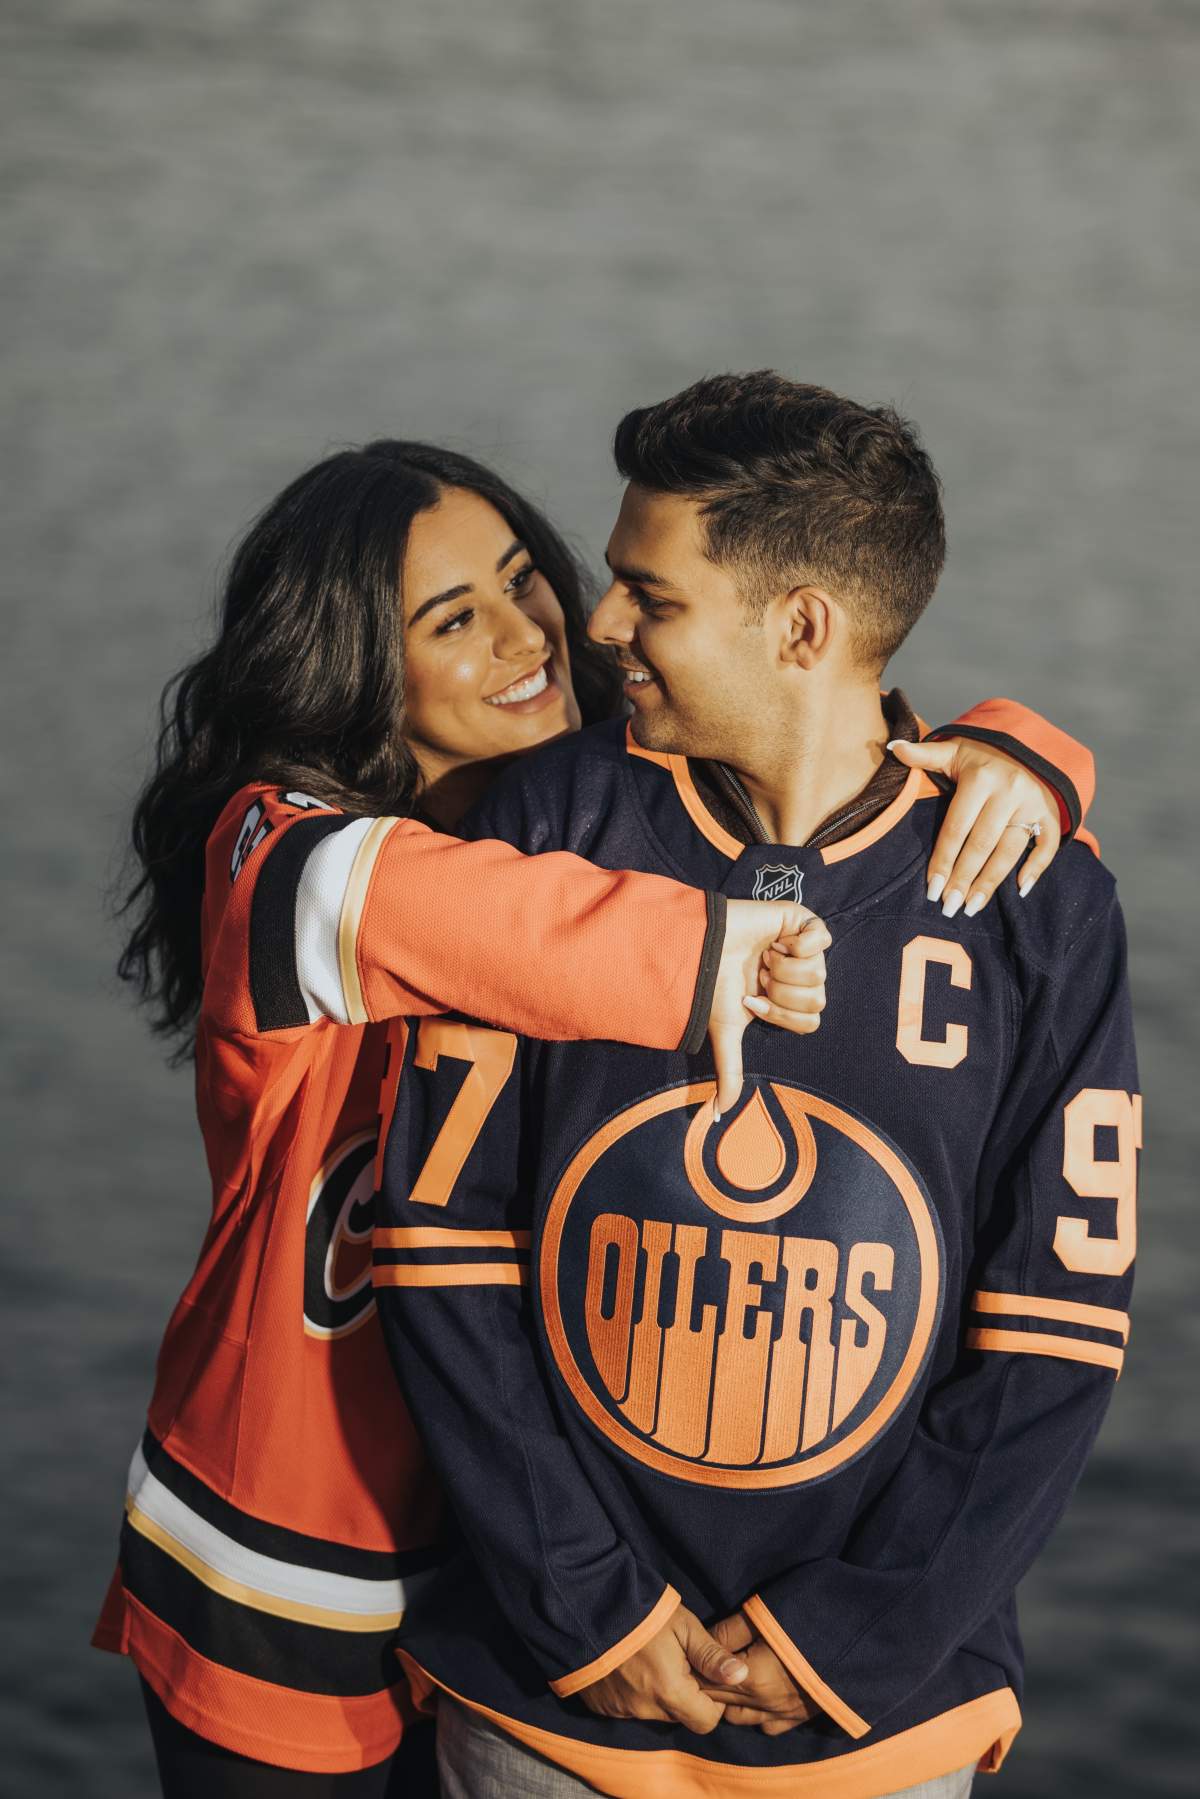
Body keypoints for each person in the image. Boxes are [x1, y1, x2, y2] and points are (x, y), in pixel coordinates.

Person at [95, 437, 1096, 1797]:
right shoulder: (274, 859)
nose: (536, 634)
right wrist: (721, 950)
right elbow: (458, 915)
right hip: (290, 1568)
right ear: (349, 668)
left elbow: (798, 725)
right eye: (455, 620)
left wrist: (994, 766)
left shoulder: (574, 811)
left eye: (525, 579)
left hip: (506, 1575)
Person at [371, 381, 1136, 1799]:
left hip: (875, 1728)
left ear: (800, 628)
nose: (595, 629)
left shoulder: (1040, 902)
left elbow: (1052, 1334)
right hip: (552, 1707)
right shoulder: (552, 827)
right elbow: (438, 1242)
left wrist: (855, 1633)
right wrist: (586, 1602)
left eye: (646, 597)